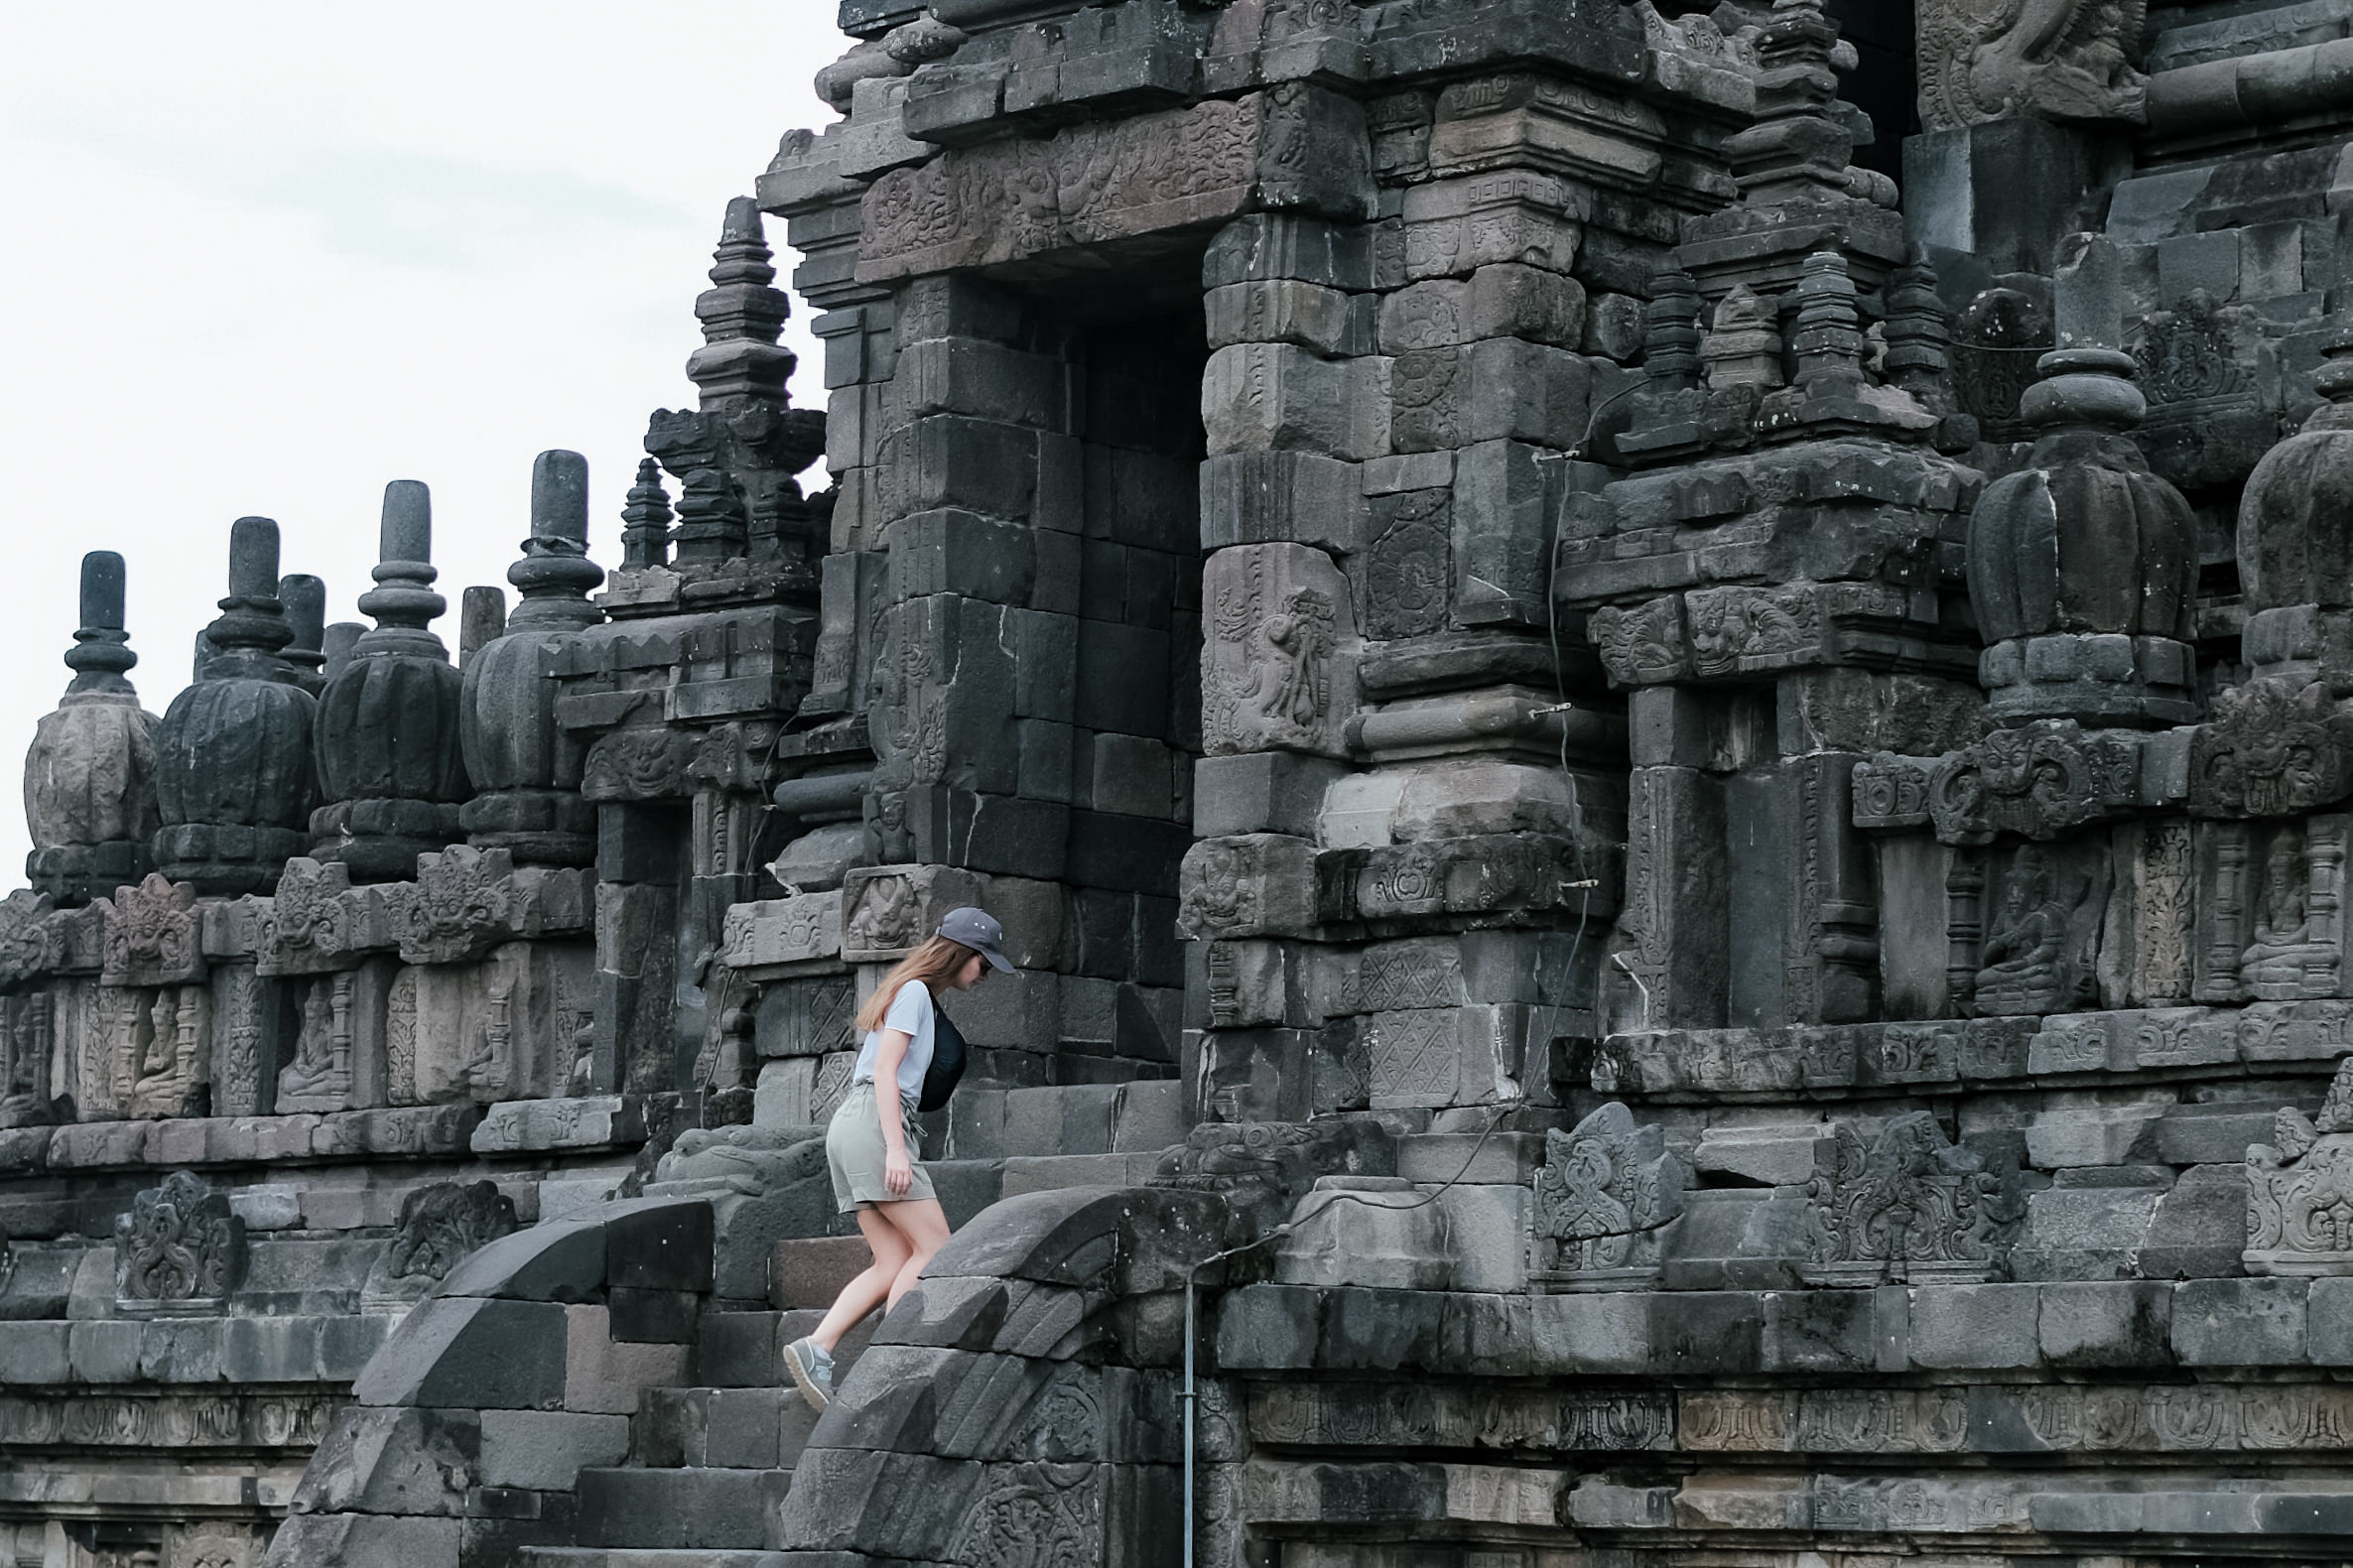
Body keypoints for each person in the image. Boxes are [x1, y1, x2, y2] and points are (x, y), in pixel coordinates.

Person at [782, 905, 1012, 1411]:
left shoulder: (913, 993)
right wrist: (894, 1150)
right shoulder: (914, 994)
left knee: (893, 1259)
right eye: (984, 963)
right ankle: (889, 1361)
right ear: (961, 954)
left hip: (853, 1125)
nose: (985, 975)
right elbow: (886, 1072)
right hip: (876, 1124)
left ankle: (817, 1347)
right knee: (936, 1247)